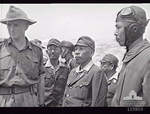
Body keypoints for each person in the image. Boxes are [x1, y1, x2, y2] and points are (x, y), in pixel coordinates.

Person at [0, 6, 45, 107]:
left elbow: (41, 78)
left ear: (26, 26)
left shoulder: (37, 51)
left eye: (16, 25)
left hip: (29, 99)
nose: (11, 29)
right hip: (3, 100)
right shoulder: (1, 48)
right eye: (9, 25)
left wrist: (41, 103)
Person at [112, 6, 150, 107]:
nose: (115, 33)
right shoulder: (131, 55)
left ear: (133, 29)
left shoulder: (147, 58)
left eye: (118, 27)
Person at [62, 36, 108, 107]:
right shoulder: (73, 72)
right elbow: (66, 98)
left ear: (91, 53)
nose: (77, 52)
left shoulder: (97, 72)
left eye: (81, 49)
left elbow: (97, 103)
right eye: (76, 49)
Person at [43, 38, 69, 107]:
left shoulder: (65, 69)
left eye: (55, 49)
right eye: (50, 49)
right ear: (46, 51)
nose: (52, 51)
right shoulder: (41, 68)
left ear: (60, 51)